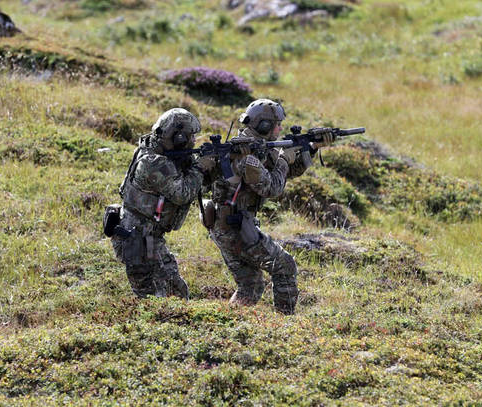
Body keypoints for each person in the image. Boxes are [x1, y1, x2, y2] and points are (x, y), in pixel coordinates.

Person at [200, 99, 335, 314]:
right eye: (277, 124)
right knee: (284, 266)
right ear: (263, 126)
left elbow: (288, 171)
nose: (280, 128)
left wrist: (311, 147)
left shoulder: (256, 145)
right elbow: (271, 187)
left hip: (227, 225)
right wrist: (283, 161)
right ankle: (284, 323)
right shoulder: (246, 154)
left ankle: (230, 323)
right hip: (235, 228)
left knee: (250, 286)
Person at [111, 108, 214, 299]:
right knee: (156, 297)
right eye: (191, 137)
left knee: (175, 292)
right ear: (179, 138)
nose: (193, 141)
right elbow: (183, 193)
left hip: (147, 237)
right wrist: (200, 167)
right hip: (139, 240)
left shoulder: (159, 152)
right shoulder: (153, 163)